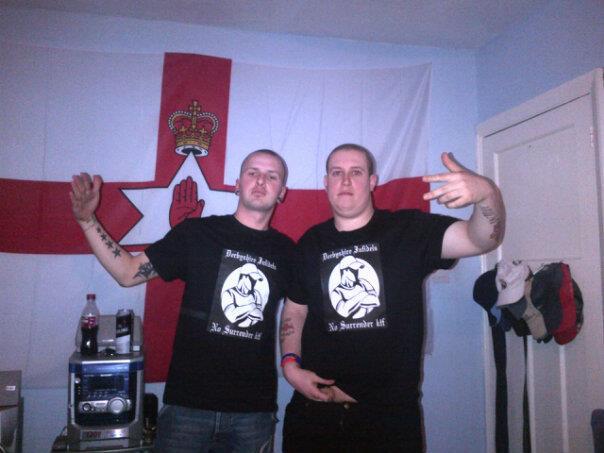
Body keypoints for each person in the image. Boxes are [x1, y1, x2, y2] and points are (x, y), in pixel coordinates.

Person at [279, 143, 505, 452]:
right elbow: (294, 309)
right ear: (326, 182)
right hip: (314, 415)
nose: (346, 181)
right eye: (337, 173)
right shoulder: (310, 243)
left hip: (389, 421)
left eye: (356, 172)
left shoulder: (409, 229)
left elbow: (481, 240)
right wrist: (290, 366)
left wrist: (486, 194)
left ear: (372, 182)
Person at [70, 149, 294, 453]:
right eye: (252, 172)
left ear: (282, 192)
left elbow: (299, 315)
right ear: (237, 183)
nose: (260, 181)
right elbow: (127, 272)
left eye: (272, 176)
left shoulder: (288, 252)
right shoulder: (197, 233)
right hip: (188, 408)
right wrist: (87, 221)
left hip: (253, 413)